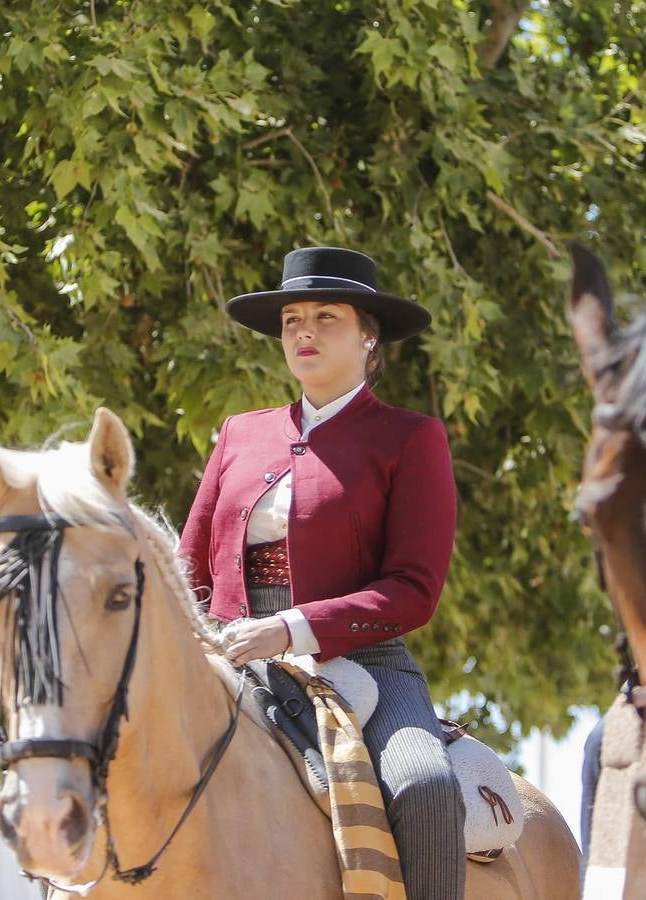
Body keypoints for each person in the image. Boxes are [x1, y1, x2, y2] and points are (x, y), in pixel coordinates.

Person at [178, 246, 465, 899]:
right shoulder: (239, 434)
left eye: (326, 318)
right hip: (229, 659)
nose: (304, 332)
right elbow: (187, 569)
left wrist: (287, 629)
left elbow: (413, 591)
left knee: (424, 784)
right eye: (292, 321)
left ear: (368, 337)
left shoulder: (410, 439)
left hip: (364, 664)